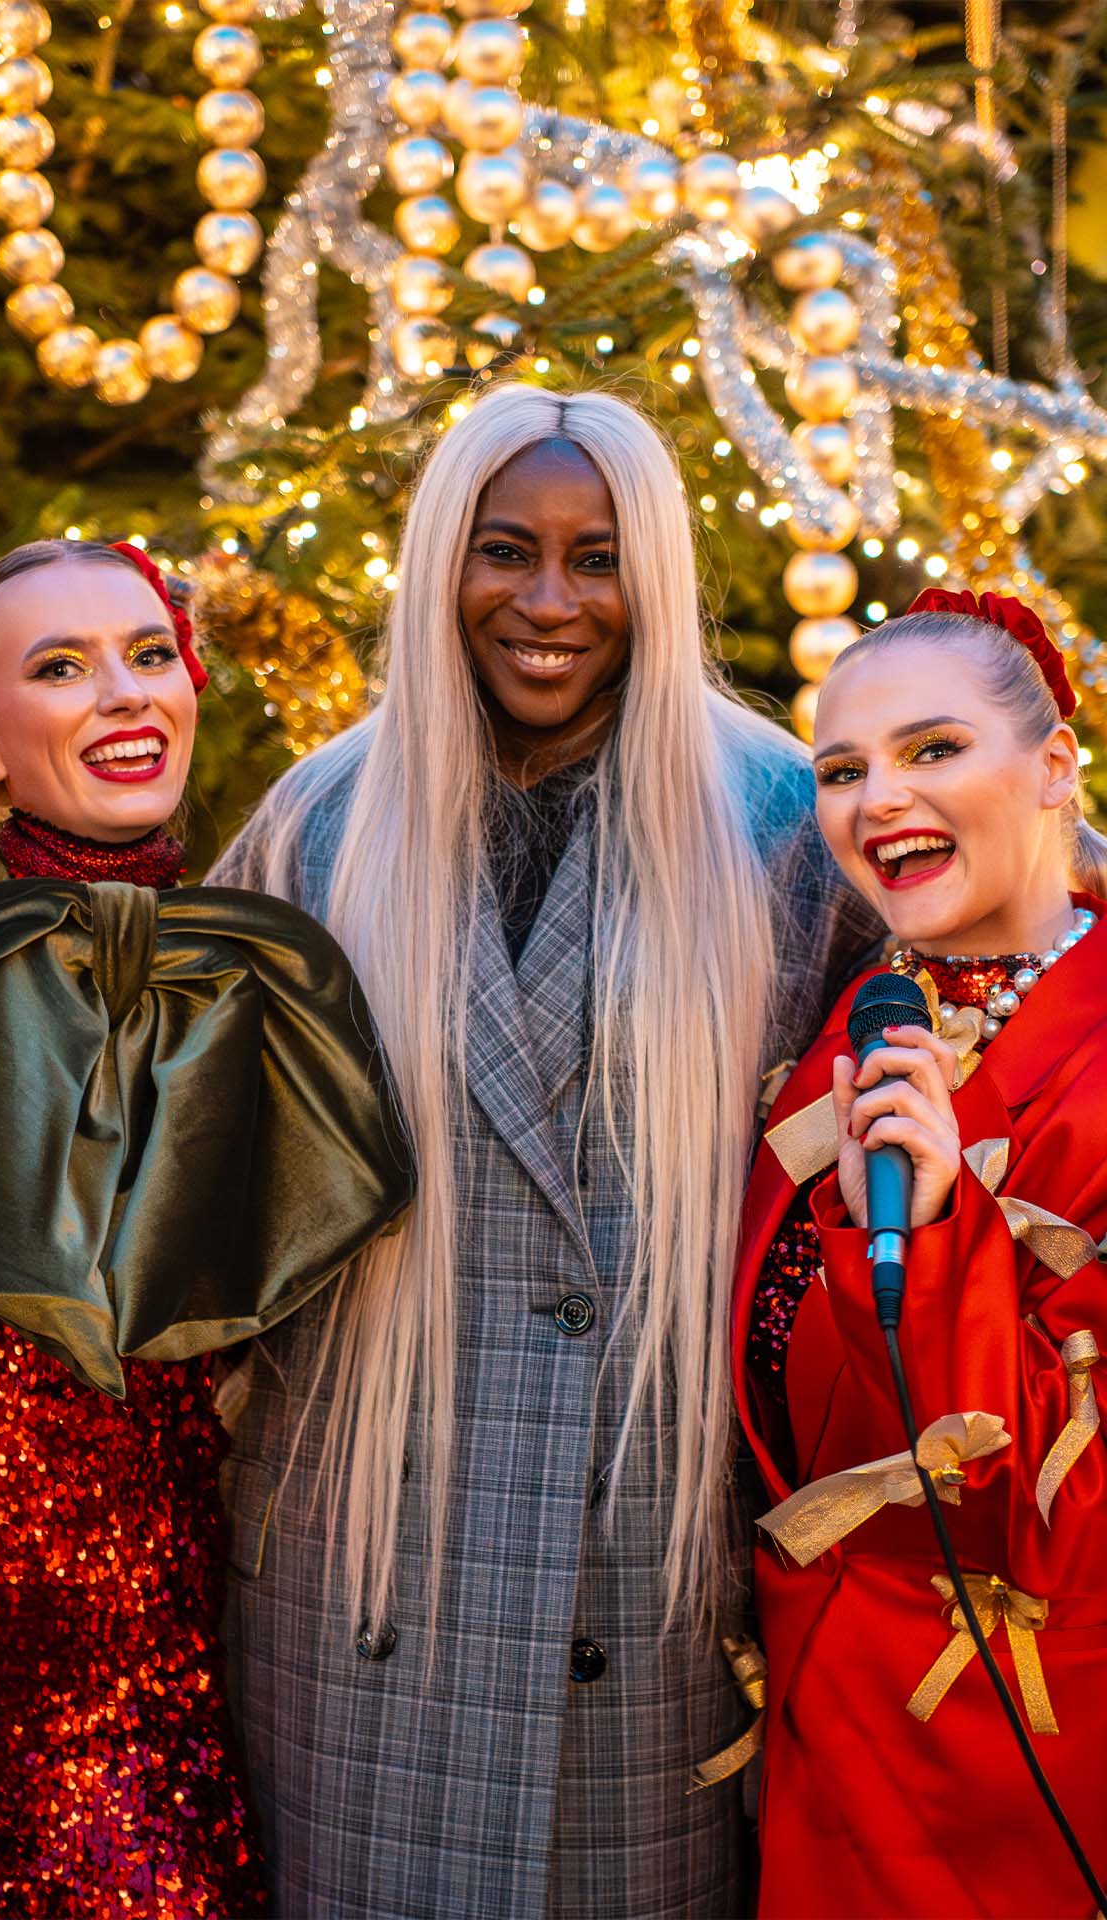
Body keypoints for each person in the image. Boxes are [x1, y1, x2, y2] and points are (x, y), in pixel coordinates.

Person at [210, 382, 881, 1919]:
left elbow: (1009, 957)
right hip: (355, 1572)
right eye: (506, 550)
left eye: (599, 557)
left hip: (643, 1587)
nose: (551, 603)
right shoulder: (323, 820)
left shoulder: (783, 819)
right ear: (443, 559)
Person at [0, 539, 413, 1918]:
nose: (127, 692)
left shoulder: (271, 972)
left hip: (144, 1664)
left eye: (147, 654)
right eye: (61, 667)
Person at [733, 587, 1107, 1919]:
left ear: (1054, 765)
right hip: (826, 1759)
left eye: (933, 748)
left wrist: (945, 1239)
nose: (878, 797)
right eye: (842, 770)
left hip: (1023, 1779)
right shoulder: (857, 1025)